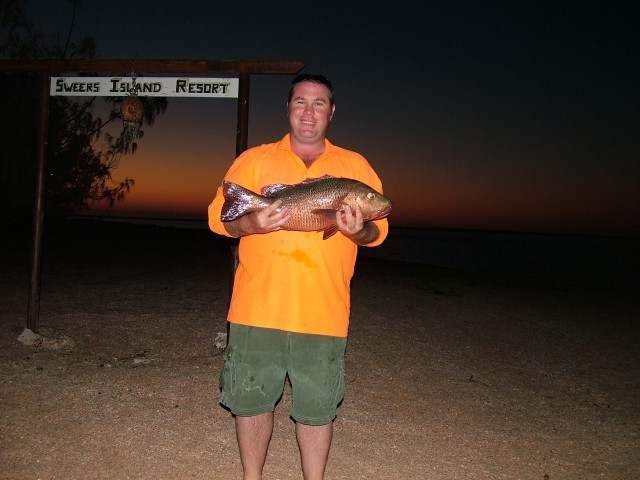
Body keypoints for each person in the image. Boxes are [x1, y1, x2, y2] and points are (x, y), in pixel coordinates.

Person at [207, 74, 389, 480]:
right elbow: (219, 218)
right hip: (257, 308)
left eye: (319, 103)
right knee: (251, 403)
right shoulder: (254, 160)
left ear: (332, 111)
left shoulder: (354, 166)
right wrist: (253, 223)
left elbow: (378, 232)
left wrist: (359, 229)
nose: (309, 112)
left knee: (317, 409)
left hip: (323, 312)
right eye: (301, 102)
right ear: (288, 108)